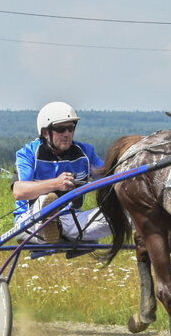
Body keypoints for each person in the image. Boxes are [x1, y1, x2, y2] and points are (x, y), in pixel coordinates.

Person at [11, 101, 110, 243]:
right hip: (30, 221)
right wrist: (56, 184)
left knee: (123, 215)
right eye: (61, 129)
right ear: (46, 132)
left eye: (71, 128)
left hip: (72, 220)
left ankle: (56, 228)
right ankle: (49, 220)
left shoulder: (86, 153)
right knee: (46, 200)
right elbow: (18, 191)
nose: (67, 134)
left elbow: (110, 178)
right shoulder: (28, 153)